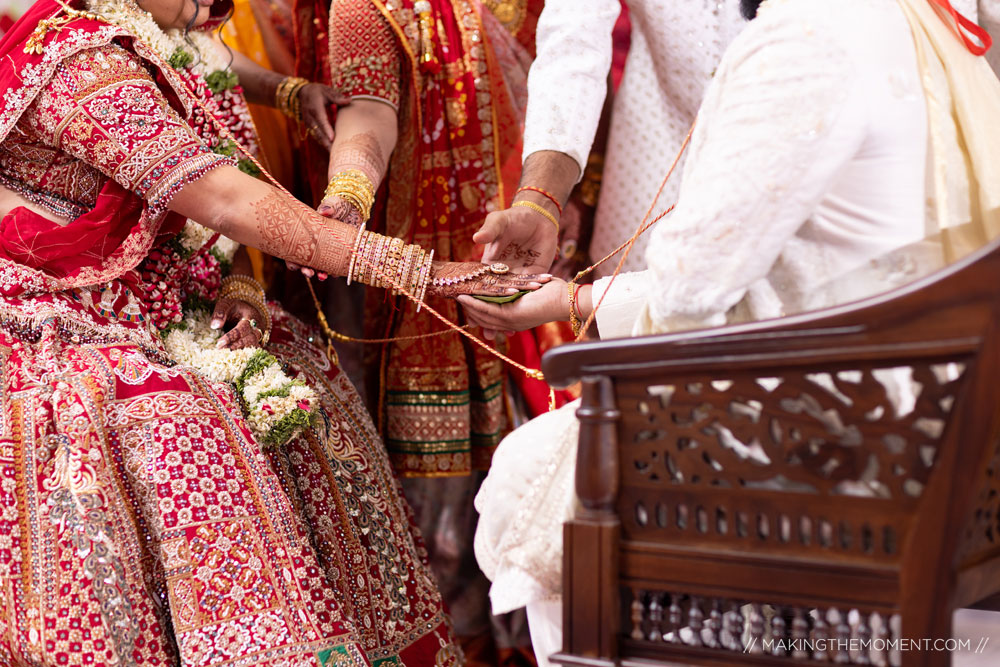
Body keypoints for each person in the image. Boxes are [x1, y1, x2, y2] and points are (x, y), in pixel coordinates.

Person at [0, 0, 546, 664]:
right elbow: (225, 198)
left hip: (160, 298)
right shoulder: (81, 67)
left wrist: (243, 286)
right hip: (59, 311)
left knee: (302, 377)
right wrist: (422, 272)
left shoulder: (166, 43)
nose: (216, 5)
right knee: (176, 417)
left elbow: (211, 222)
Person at [465, 0, 1000, 664]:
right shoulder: (912, 17)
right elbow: (573, 38)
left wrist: (571, 300)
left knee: (527, 483)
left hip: (845, 439)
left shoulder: (804, 40)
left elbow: (689, 298)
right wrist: (543, 199)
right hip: (927, 412)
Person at [292, 1, 548, 660]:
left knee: (512, 490)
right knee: (416, 513)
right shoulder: (373, 7)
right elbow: (368, 116)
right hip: (400, 279)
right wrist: (345, 202)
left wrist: (553, 201)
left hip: (508, 257)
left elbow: (563, 84)